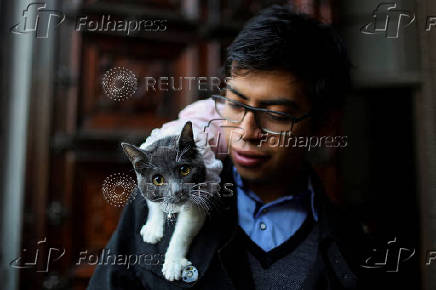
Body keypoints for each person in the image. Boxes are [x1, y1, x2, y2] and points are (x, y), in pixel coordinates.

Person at [88, 5, 372, 290]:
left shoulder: (353, 248)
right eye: (235, 105)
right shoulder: (160, 201)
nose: (246, 132)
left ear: (323, 124)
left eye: (277, 115)